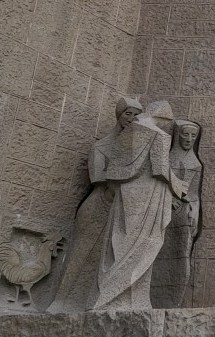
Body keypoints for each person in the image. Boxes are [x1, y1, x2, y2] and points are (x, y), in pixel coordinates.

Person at [48, 97, 142, 312]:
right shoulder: (102, 146)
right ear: (119, 115)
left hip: (117, 208)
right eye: (128, 113)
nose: (132, 119)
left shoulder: (135, 149)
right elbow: (99, 178)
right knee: (79, 255)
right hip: (98, 206)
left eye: (137, 115)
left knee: (104, 259)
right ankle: (59, 301)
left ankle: (87, 302)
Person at [93, 101, 187, 310]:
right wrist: (178, 184)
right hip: (148, 195)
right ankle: (125, 300)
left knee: (119, 242)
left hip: (125, 194)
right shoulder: (158, 134)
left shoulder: (128, 131)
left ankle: (104, 297)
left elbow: (114, 172)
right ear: (165, 119)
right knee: (144, 244)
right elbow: (160, 169)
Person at [150, 120, 203, 308]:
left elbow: (194, 193)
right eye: (185, 134)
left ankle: (174, 299)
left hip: (185, 213)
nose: (189, 139)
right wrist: (168, 198)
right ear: (177, 134)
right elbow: (158, 183)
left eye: (193, 136)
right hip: (166, 210)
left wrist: (194, 211)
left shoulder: (195, 163)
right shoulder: (169, 159)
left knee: (182, 254)